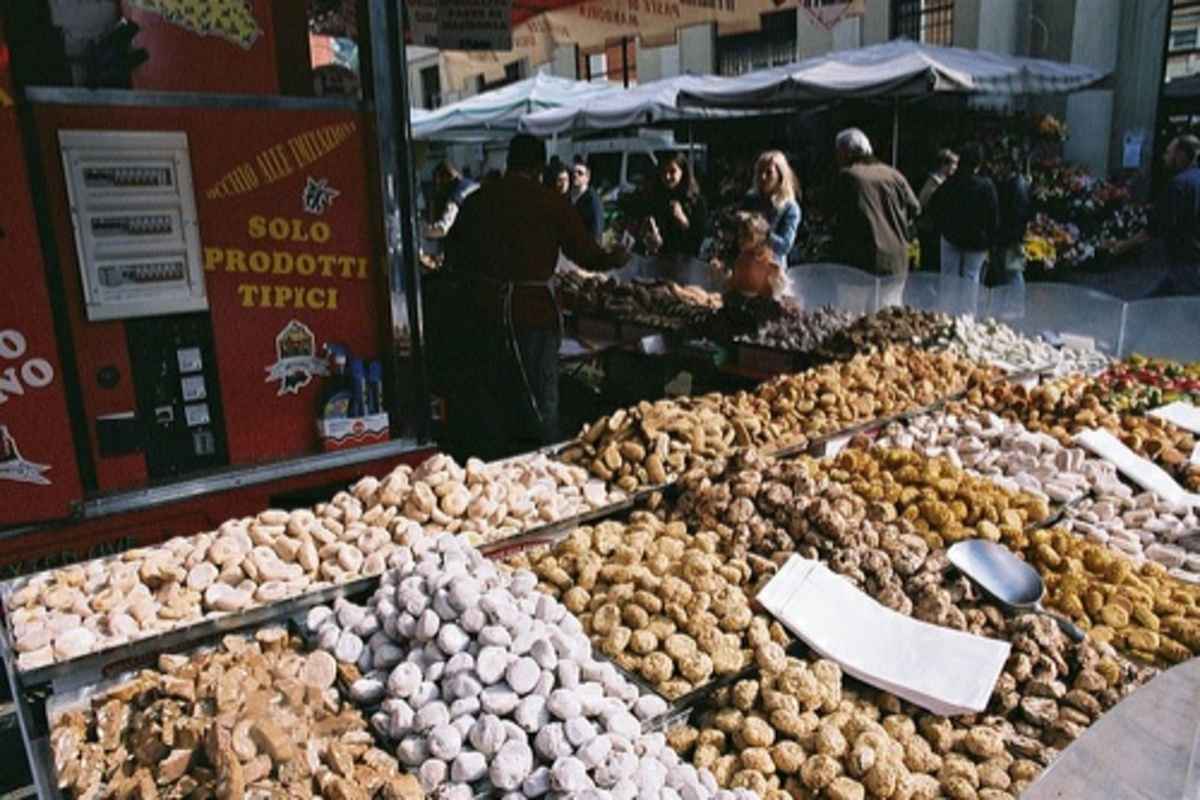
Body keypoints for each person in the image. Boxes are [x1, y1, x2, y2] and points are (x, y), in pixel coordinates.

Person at [445, 134, 629, 458]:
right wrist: (618, 257)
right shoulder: (550, 202)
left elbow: (452, 257)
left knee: (493, 402)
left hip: (481, 315)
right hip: (532, 315)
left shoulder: (478, 200)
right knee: (537, 403)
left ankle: (492, 467)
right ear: (540, 166)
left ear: (509, 162)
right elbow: (588, 255)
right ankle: (539, 465)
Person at [830, 128, 920, 305]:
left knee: (854, 320)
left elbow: (833, 212)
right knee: (888, 322)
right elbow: (915, 208)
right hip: (896, 261)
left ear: (845, 152)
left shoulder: (848, 177)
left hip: (859, 263)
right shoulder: (894, 174)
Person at [931, 142, 998, 283]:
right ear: (978, 163)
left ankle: (948, 305)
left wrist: (942, 227)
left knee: (949, 277)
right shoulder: (986, 186)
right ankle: (967, 305)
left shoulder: (949, 183)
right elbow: (992, 216)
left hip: (951, 235)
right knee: (971, 277)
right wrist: (990, 240)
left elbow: (935, 206)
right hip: (977, 240)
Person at [640, 154, 709, 259]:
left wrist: (683, 220)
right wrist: (648, 234)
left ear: (682, 172)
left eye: (672, 171)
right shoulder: (655, 198)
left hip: (687, 263)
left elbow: (699, 239)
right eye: (663, 172)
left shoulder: (696, 202)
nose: (667, 177)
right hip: (659, 262)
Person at [740, 150, 802, 263]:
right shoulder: (751, 200)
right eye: (760, 172)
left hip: (772, 270)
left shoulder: (789, 208)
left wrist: (764, 232)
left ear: (780, 176)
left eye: (769, 173)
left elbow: (784, 246)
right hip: (747, 267)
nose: (763, 177)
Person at [990, 148, 1033, 291]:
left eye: (999, 164)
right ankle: (1010, 307)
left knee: (1013, 274)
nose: (996, 168)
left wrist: (1011, 237)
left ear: (1007, 166)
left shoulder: (1016, 186)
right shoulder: (1015, 183)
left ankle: (1015, 308)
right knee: (1009, 274)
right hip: (1009, 238)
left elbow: (1017, 215)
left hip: (1011, 239)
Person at [917, 148, 958, 271]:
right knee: (930, 264)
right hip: (929, 229)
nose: (956, 167)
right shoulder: (933, 183)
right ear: (944, 165)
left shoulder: (945, 182)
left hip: (937, 229)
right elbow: (922, 203)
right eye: (954, 164)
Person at [423, 160, 478, 240]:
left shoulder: (458, 195)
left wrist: (425, 232)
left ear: (445, 179)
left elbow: (443, 228)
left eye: (439, 185)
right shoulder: (471, 185)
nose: (439, 189)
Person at [570, 160, 605, 242]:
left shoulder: (593, 201)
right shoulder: (570, 195)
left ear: (587, 178)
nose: (575, 175)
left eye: (580, 173)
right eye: (573, 172)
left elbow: (597, 230)